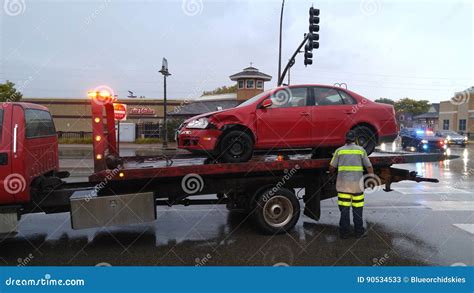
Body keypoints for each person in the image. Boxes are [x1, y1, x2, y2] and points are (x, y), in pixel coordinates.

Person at [329, 131, 374, 239]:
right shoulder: (361, 150)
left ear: (346, 139)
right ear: (355, 139)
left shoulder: (339, 151)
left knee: (344, 211)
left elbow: (331, 167)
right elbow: (369, 166)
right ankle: (359, 232)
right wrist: (371, 179)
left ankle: (344, 233)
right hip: (357, 187)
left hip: (343, 186)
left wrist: (332, 174)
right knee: (357, 210)